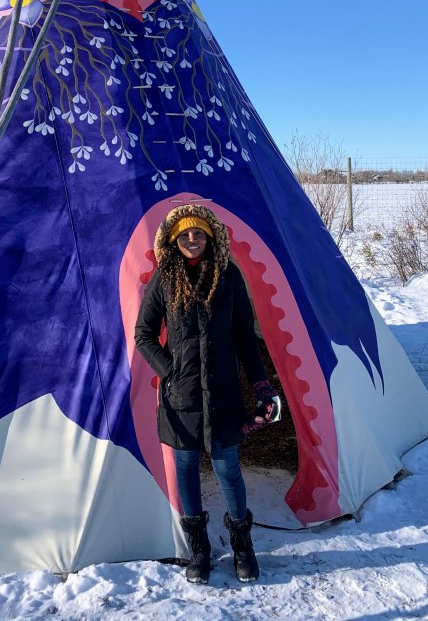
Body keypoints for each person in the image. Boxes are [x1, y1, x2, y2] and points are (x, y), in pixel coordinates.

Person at [134, 203, 279, 584]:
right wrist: (170, 371)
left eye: (198, 233)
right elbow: (143, 335)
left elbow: (245, 337)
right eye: (185, 234)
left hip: (224, 392)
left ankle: (242, 545)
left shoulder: (227, 276)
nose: (192, 239)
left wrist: (262, 386)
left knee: (227, 467)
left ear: (210, 236)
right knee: (185, 468)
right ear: (174, 239)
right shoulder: (165, 280)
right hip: (181, 397)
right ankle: (199, 548)